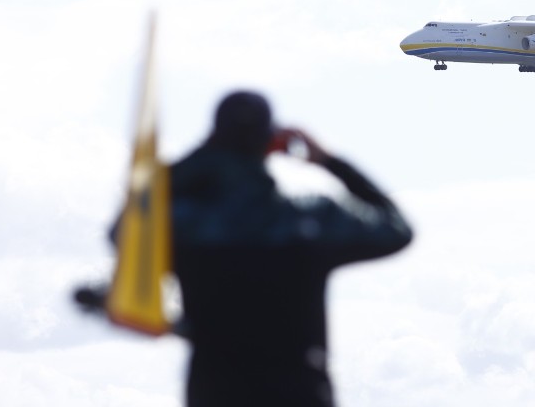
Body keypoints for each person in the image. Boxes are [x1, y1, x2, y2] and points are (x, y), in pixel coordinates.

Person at [131, 91, 412, 406]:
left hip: (215, 394)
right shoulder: (311, 219)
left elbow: (126, 231)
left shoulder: (185, 230)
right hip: (301, 394)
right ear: (272, 143)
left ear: (213, 138)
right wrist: (331, 162)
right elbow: (397, 229)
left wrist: (202, 155)